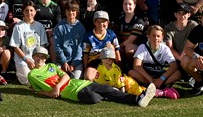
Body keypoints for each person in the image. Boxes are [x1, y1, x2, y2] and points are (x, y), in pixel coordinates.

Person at [27, 46, 156, 107]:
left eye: (43, 57)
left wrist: (57, 87)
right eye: (37, 56)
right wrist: (51, 92)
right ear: (33, 57)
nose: (40, 59)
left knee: (107, 89)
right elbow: (40, 90)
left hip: (79, 83)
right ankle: (112, 96)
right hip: (71, 91)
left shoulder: (52, 66)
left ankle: (137, 99)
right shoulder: (33, 74)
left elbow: (66, 76)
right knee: (94, 98)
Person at [128, 25, 182, 94]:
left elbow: (174, 65)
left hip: (159, 73)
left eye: (158, 36)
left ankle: (152, 85)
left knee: (178, 73)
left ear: (162, 38)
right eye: (153, 35)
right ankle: (158, 85)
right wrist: (150, 79)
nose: (156, 38)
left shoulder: (165, 48)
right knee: (131, 72)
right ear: (148, 36)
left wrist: (161, 79)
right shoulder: (143, 47)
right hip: (147, 73)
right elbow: (136, 65)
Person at [9, 1, 49, 85]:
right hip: (23, 59)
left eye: (31, 10)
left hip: (38, 58)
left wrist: (38, 60)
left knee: (44, 79)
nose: (29, 13)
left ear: (35, 12)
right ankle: (19, 73)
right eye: (26, 10)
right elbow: (16, 47)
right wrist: (27, 60)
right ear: (23, 12)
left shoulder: (40, 26)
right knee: (28, 81)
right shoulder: (18, 26)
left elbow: (42, 46)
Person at [83, 10, 121, 80]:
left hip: (108, 60)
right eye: (98, 21)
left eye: (103, 21)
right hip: (94, 60)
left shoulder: (111, 35)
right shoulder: (88, 36)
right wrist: (86, 67)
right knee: (88, 77)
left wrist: (119, 66)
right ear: (94, 23)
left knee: (109, 46)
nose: (101, 24)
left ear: (108, 23)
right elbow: (85, 53)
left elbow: (117, 50)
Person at [53, 1, 86, 79]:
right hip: (61, 61)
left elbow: (80, 48)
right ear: (65, 11)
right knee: (58, 78)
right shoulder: (59, 27)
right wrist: (64, 61)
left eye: (73, 10)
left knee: (75, 79)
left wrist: (74, 64)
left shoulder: (81, 27)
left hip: (76, 62)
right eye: (68, 10)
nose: (71, 13)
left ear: (77, 12)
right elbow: (57, 47)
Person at [114, 0, 147, 66]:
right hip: (122, 46)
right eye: (125, 4)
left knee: (129, 48)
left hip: (140, 48)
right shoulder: (120, 18)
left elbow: (130, 40)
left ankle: (134, 68)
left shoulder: (139, 20)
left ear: (134, 5)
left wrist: (117, 47)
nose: (127, 6)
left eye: (130, 4)